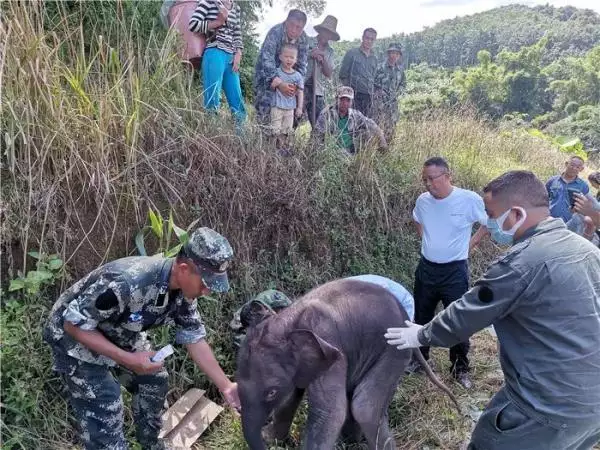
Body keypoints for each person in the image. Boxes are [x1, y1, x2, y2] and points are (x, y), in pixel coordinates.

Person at [385, 170, 600, 450]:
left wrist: (422, 334)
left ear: (516, 214)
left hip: (547, 406)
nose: (487, 222)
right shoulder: (586, 249)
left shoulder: (521, 263)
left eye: (491, 213)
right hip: (591, 406)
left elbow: (468, 312)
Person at [43, 227, 240, 450]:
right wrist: (128, 359)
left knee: (154, 378)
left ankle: (151, 444)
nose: (207, 292)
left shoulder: (183, 291)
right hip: (74, 340)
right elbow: (73, 324)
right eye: (205, 284)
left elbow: (193, 336)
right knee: (107, 402)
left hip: (117, 331)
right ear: (184, 269)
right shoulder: (128, 281)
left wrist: (226, 387)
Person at [409, 157, 489, 388]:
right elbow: (417, 220)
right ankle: (420, 361)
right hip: (426, 269)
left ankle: (460, 368)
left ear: (447, 176)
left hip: (454, 271)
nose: (428, 184)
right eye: (424, 180)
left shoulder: (468, 200)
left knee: (458, 320)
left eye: (432, 179)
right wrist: (426, 240)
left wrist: (470, 245)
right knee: (421, 316)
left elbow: (488, 224)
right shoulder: (423, 201)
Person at [189, 0, 246, 124]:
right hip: (214, 52)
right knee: (212, 99)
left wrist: (239, 52)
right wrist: (217, 22)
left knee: (237, 100)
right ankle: (212, 136)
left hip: (231, 57)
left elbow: (237, 32)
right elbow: (193, 25)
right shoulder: (208, 2)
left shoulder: (235, 7)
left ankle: (241, 139)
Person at [254, 10, 309, 127]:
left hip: (290, 82)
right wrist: (279, 83)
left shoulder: (304, 39)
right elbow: (267, 59)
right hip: (267, 79)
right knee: (264, 115)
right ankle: (262, 141)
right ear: (286, 21)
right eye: (292, 25)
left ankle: (282, 142)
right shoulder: (275, 32)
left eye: (299, 28)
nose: (294, 30)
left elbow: (302, 65)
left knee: (290, 118)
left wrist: (295, 86)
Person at [314, 85, 387, 155]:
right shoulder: (327, 114)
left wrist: (382, 139)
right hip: (331, 153)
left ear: (352, 102)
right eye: (342, 100)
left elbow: (372, 125)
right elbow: (317, 136)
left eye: (348, 100)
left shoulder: (355, 115)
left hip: (351, 152)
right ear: (336, 99)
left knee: (367, 133)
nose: (345, 103)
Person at [304, 15, 339, 129]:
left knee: (318, 125)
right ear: (321, 30)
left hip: (317, 90)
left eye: (329, 33)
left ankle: (313, 146)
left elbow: (328, 73)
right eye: (325, 31)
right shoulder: (307, 41)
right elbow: (295, 58)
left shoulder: (330, 51)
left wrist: (323, 59)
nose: (326, 35)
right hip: (301, 86)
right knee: (293, 119)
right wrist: (311, 55)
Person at [269, 44, 304, 154]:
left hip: (290, 109)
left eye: (292, 57)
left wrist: (299, 108)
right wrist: (274, 84)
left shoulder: (298, 76)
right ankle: (271, 152)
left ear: (296, 59)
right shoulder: (276, 72)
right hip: (277, 106)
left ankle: (281, 152)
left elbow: (300, 92)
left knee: (285, 131)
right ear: (280, 57)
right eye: (286, 56)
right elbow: (271, 87)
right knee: (274, 131)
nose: (289, 60)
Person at [339, 27, 378, 117]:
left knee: (365, 124)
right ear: (363, 38)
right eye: (367, 38)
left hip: (368, 97)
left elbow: (374, 77)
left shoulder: (374, 58)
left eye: (372, 39)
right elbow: (343, 75)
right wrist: (348, 94)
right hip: (354, 95)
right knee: (351, 122)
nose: (369, 41)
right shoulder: (352, 53)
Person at [373, 42, 406, 142]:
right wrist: (377, 92)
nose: (394, 56)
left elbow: (403, 85)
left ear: (399, 56)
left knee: (391, 132)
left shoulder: (400, 70)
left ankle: (387, 153)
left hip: (393, 107)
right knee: (377, 131)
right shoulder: (379, 68)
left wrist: (398, 93)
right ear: (388, 54)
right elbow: (371, 83)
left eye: (397, 54)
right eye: (392, 53)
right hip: (379, 106)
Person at [546, 155, 590, 223]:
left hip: (568, 223)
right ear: (566, 164)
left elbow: (584, 208)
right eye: (572, 165)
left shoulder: (583, 186)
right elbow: (543, 199)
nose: (574, 168)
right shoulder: (553, 180)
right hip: (548, 219)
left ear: (581, 169)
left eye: (578, 167)